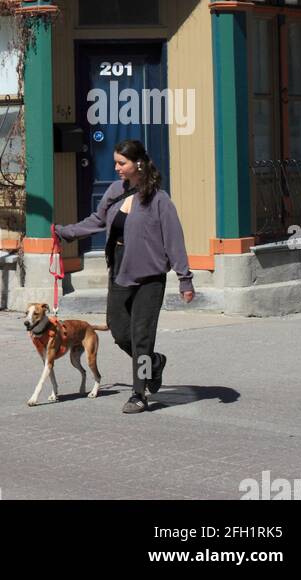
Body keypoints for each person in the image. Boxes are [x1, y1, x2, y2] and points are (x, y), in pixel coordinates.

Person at [54, 139, 195, 413]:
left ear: (138, 164)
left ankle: (139, 394)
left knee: (141, 337)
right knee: (118, 331)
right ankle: (152, 362)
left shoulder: (159, 200)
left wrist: (184, 279)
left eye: (122, 163)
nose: (116, 167)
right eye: (116, 162)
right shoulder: (114, 190)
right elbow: (97, 220)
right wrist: (64, 231)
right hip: (119, 271)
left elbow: (175, 240)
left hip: (149, 278)